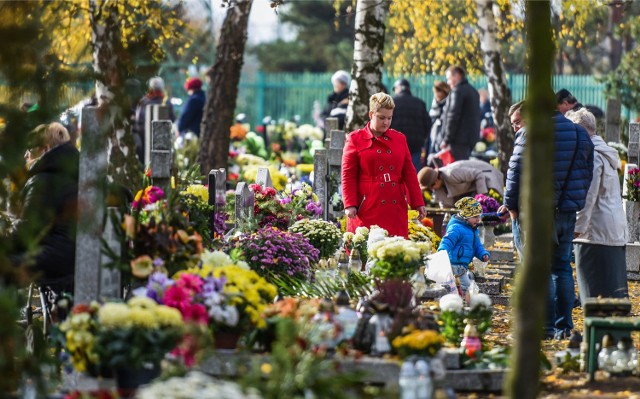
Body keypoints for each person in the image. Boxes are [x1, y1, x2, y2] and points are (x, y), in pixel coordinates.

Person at [498, 101, 594, 340]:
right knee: (562, 268)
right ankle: (564, 327)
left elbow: (514, 170)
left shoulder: (530, 132)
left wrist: (511, 206)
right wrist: (574, 203)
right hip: (567, 212)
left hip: (538, 212)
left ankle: (546, 327)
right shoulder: (580, 133)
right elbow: (587, 171)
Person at [342, 92, 426, 238]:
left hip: (395, 205)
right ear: (371, 114)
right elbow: (348, 174)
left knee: (395, 252)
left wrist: (418, 202)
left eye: (389, 118)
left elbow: (409, 173)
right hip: (368, 204)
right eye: (381, 117)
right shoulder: (355, 139)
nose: (386, 122)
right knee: (365, 250)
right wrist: (350, 204)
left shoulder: (399, 138)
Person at [566, 108, 628, 305]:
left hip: (595, 233)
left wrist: (577, 228)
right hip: (611, 230)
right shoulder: (605, 152)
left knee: (595, 297)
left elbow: (588, 196)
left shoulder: (592, 155)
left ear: (581, 130)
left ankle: (599, 334)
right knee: (612, 293)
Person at [10, 123, 79, 281]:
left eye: (31, 149)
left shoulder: (43, 179)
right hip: (71, 252)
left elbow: (26, 233)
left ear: (46, 149)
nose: (26, 155)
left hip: (55, 256)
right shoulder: (71, 170)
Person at [437, 197, 490, 295]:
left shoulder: (472, 229)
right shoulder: (456, 228)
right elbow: (447, 240)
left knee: (461, 287)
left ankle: (460, 302)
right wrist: (442, 251)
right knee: (466, 287)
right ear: (466, 216)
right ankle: (464, 303)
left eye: (479, 216)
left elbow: (477, 245)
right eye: (475, 217)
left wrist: (483, 254)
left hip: (463, 265)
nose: (478, 220)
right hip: (454, 264)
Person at [417, 160, 504, 208]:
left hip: (485, 175)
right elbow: (446, 208)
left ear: (436, 180)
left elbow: (479, 174)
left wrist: (482, 198)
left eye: (432, 186)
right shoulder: (438, 187)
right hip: (468, 186)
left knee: (476, 208)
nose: (432, 189)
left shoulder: (451, 173)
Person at [440, 65, 481, 161]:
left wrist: (446, 139)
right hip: (470, 139)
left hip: (457, 140)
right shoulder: (473, 91)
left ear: (457, 76)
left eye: (449, 78)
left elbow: (452, 116)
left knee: (456, 172)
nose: (448, 82)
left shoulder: (457, 91)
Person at [132, 76, 176, 163]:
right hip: (161, 140)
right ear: (162, 87)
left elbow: (137, 119)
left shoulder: (143, 101)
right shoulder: (166, 102)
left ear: (150, 88)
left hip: (143, 137)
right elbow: (172, 119)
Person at [391, 78, 430, 171]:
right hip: (415, 146)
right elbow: (427, 125)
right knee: (413, 174)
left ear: (398, 88)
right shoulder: (420, 103)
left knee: (396, 174)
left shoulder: (392, 102)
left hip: (396, 145)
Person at [425, 80, 451, 166]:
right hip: (432, 139)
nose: (436, 95)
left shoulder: (449, 105)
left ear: (445, 92)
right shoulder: (434, 105)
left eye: (438, 92)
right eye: (435, 92)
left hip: (442, 140)